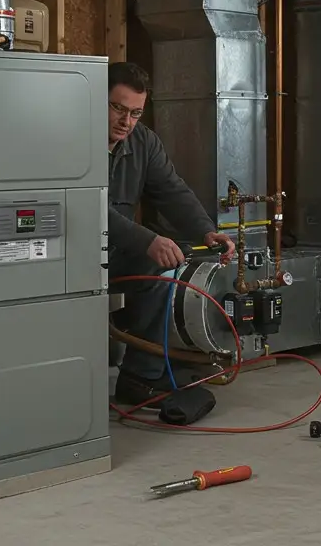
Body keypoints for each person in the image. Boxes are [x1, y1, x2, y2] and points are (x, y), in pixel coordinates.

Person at [105, 62, 236, 408]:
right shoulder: (70, 141)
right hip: (72, 255)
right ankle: (141, 377)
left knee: (177, 256)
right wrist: (147, 241)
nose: (126, 122)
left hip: (115, 250)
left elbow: (171, 191)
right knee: (155, 260)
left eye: (135, 113)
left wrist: (206, 231)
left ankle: (151, 367)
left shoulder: (143, 142)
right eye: (117, 108)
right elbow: (85, 209)